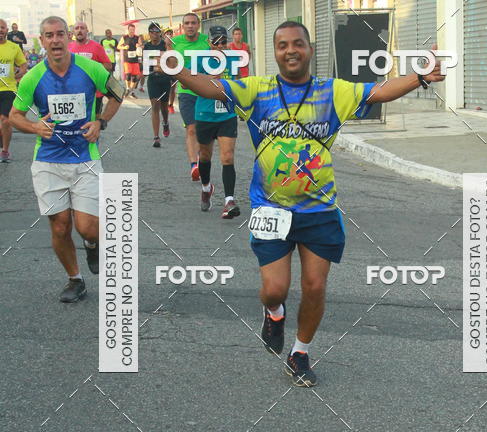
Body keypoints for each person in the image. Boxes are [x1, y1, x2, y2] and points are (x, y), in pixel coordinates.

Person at [164, 20, 446, 386]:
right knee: (274, 289)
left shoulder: (332, 91)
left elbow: (378, 91)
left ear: (310, 50)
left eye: (298, 43)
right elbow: (212, 87)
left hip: (319, 210)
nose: (290, 50)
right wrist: (178, 69)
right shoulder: (257, 90)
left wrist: (419, 78)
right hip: (271, 208)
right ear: (276, 52)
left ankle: (300, 353)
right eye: (282, 45)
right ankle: (274, 312)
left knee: (314, 287)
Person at [9, 15, 123, 303]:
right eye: (49, 35)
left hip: (85, 156)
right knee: (60, 225)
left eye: (61, 34)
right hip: (48, 160)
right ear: (42, 40)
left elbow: (118, 94)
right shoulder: (33, 77)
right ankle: (75, 279)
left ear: (68, 37)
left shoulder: (90, 68)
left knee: (88, 226)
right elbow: (14, 117)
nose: (56, 40)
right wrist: (34, 127)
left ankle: (92, 243)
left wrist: (101, 122)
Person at [193, 25, 240, 217]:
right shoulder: (200, 59)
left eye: (223, 41)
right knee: (205, 156)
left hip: (227, 114)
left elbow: (239, 83)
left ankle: (229, 200)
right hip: (205, 114)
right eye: (216, 42)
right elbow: (191, 82)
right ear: (209, 42)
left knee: (227, 157)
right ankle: (206, 188)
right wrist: (209, 80)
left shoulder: (232, 59)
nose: (220, 45)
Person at [171, 13, 210, 178]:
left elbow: (214, 64)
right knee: (191, 129)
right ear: (183, 26)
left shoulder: (206, 41)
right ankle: (194, 165)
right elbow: (170, 66)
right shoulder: (175, 43)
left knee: (203, 130)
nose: (190, 26)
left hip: (205, 91)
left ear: (198, 25)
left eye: (193, 23)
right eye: (187, 23)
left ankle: (202, 156)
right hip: (186, 92)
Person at [69, 21, 112, 119]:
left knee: (94, 119)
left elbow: (108, 66)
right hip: (75, 91)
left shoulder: (97, 47)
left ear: (87, 31)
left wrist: (92, 69)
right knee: (77, 119)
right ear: (73, 32)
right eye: (77, 28)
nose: (79, 30)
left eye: (82, 28)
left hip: (95, 92)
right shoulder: (69, 47)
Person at [0, 18, 28, 162]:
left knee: (5, 120)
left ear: (7, 30)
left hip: (8, 88)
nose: (0, 30)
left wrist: (21, 72)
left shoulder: (13, 47)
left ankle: (5, 151)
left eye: (3, 28)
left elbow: (23, 64)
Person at [142, 22, 171, 147]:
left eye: (157, 31)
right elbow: (145, 64)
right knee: (155, 106)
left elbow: (171, 60)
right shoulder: (147, 46)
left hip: (165, 78)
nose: (154, 34)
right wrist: (143, 75)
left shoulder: (164, 44)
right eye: (152, 32)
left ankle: (165, 122)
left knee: (164, 107)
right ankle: (156, 137)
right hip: (153, 79)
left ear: (160, 32)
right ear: (149, 33)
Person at [118, 24, 143, 98]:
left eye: (133, 30)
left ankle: (131, 91)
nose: (132, 31)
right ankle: (128, 88)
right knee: (128, 74)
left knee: (134, 77)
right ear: (128, 30)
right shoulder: (124, 37)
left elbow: (141, 45)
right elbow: (118, 46)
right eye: (131, 30)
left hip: (135, 59)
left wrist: (139, 46)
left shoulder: (137, 37)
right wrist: (124, 47)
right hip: (127, 59)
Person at [163, 28, 177, 113]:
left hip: (174, 69)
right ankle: (164, 105)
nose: (169, 35)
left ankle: (171, 105)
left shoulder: (176, 44)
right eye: (167, 33)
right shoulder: (161, 44)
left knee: (172, 88)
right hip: (164, 69)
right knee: (165, 89)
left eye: (170, 33)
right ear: (164, 35)